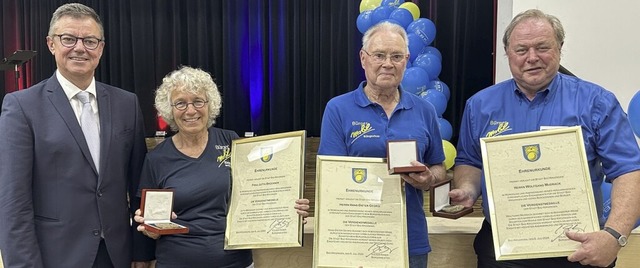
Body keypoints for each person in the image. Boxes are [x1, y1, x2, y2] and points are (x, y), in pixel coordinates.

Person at [450, 9, 640, 268]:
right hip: (503, 250)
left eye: (542, 47)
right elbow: (469, 161)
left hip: (578, 249)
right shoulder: (480, 105)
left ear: (559, 48)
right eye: (521, 50)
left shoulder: (597, 102)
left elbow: (629, 171)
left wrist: (614, 236)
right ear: (507, 53)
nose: (532, 58)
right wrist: (468, 189)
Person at [0, 3, 155, 268]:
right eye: (68, 39)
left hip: (117, 255)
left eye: (90, 40)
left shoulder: (126, 104)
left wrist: (142, 251)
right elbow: (14, 201)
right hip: (54, 256)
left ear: (101, 48)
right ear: (51, 44)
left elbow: (139, 185)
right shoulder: (22, 107)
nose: (80, 48)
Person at [133, 66, 310, 268]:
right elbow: (149, 220)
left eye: (198, 101)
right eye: (180, 103)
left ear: (210, 105)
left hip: (235, 262)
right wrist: (150, 228)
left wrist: (288, 209)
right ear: (170, 110)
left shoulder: (231, 142)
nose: (190, 110)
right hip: (177, 262)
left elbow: (260, 189)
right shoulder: (156, 159)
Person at [318, 22, 447, 268]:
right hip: (356, 237)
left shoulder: (425, 110)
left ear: (406, 60)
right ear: (363, 59)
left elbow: (439, 167)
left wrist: (429, 178)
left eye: (396, 56)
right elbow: (330, 177)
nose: (388, 63)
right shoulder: (338, 109)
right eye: (379, 55)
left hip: (410, 239)